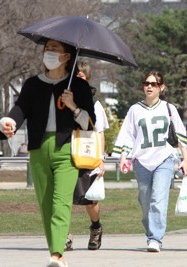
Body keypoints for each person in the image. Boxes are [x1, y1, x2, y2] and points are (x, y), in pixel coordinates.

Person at [0, 39, 95, 267]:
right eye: (46, 48)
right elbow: (20, 110)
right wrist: (8, 122)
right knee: (46, 205)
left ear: (67, 56)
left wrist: (73, 106)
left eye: (54, 49)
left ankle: (57, 254)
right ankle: (56, 254)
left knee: (61, 203)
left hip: (66, 149)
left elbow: (90, 124)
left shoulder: (78, 87)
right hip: (39, 150)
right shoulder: (32, 84)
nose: (48, 52)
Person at [112, 71, 187, 252]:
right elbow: (128, 135)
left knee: (158, 199)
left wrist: (185, 158)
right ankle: (151, 232)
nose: (149, 86)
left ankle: (156, 238)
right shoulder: (134, 109)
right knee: (145, 201)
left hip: (164, 159)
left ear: (161, 88)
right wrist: (124, 156)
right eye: (146, 83)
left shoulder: (169, 108)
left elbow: (179, 134)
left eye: (153, 84)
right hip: (142, 162)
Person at [65, 60, 109, 251]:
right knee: (62, 198)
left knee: (88, 199)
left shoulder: (94, 104)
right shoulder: (61, 99)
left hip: (86, 154)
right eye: (75, 77)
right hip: (66, 153)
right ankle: (64, 236)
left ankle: (96, 227)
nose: (78, 80)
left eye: (82, 77)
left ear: (88, 79)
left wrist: (100, 160)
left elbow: (99, 133)